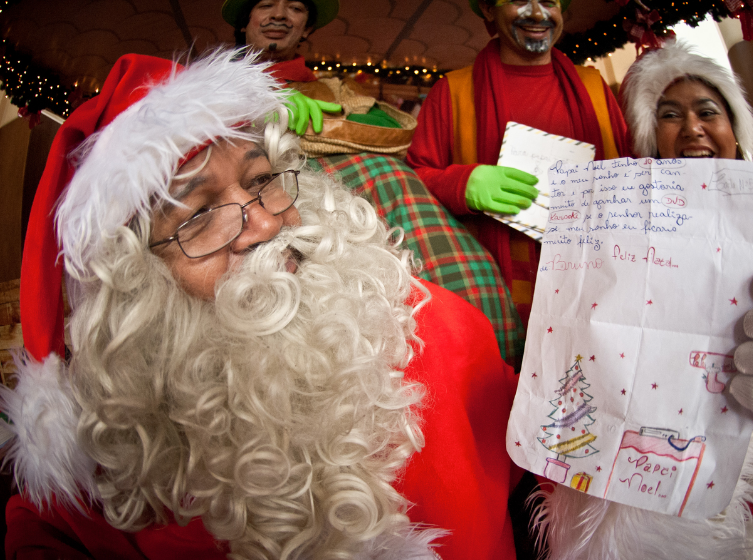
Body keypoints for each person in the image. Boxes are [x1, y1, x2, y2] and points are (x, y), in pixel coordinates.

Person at [1, 49, 519, 560]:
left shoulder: (440, 326)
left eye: (262, 180)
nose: (266, 226)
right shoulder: (125, 444)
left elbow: (547, 453)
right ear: (133, 283)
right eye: (197, 215)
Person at [530, 41, 753, 560]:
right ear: (653, 141)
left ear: (737, 132)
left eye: (708, 112)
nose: (693, 127)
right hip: (644, 494)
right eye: (670, 115)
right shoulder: (619, 234)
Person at [222, 0, 526, 365]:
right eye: (266, 3)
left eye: (295, 8)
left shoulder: (333, 89)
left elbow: (391, 132)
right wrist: (249, 116)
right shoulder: (209, 87)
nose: (279, 15)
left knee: (398, 186)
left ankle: (479, 352)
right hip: (274, 201)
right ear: (245, 20)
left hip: (371, 199)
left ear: (307, 28)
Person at [406, 0, 630, 327]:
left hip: (592, 287)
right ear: (487, 9)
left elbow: (628, 175)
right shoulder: (451, 92)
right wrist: (461, 184)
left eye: (549, 2)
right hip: (491, 293)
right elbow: (410, 182)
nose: (538, 14)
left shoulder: (594, 87)